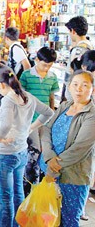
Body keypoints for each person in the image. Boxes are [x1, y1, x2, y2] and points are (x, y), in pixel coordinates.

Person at [0, 67, 54, 227]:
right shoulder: (28, 97)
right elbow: (48, 112)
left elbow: (5, 124)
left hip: (5, 154)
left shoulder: (8, 100)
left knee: (5, 199)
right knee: (18, 193)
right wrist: (31, 127)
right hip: (21, 152)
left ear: (1, 85)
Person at [41, 70, 95, 227]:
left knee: (69, 220)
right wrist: (49, 156)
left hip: (73, 176)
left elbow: (80, 148)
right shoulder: (65, 105)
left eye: (85, 85)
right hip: (50, 170)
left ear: (92, 89)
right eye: (75, 85)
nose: (79, 89)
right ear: (69, 87)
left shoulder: (91, 114)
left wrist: (53, 167)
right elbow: (46, 129)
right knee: (49, 218)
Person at [19, 47, 59, 195]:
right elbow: (21, 97)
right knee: (34, 151)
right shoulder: (26, 75)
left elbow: (51, 98)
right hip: (31, 121)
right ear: (36, 60)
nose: (46, 68)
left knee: (44, 150)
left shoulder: (53, 77)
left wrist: (53, 115)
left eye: (49, 65)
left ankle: (38, 183)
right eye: (44, 65)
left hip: (46, 120)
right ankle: (28, 184)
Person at [62, 16, 94, 101]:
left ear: (73, 31)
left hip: (76, 95)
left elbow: (74, 73)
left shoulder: (78, 50)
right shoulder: (89, 46)